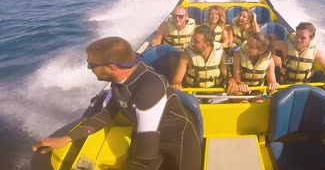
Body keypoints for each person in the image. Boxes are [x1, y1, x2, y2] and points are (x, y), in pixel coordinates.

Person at [32, 37, 201, 170]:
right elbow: (106, 114)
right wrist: (67, 138)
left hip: (178, 141)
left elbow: (147, 144)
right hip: (147, 139)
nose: (89, 68)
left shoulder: (150, 87)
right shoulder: (119, 82)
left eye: (91, 65)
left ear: (112, 68)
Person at [273, 22, 325, 91]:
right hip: (284, 86)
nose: (298, 39)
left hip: (304, 89)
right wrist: (272, 56)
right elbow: (265, 47)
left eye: (303, 38)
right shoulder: (284, 45)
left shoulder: (315, 53)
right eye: (297, 35)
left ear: (311, 39)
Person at [227, 32, 279, 102]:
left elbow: (271, 80)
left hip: (259, 91)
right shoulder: (237, 54)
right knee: (243, 102)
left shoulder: (270, 61)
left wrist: (273, 84)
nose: (246, 47)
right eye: (247, 43)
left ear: (261, 51)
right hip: (240, 90)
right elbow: (237, 78)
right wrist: (240, 83)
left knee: (261, 101)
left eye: (251, 47)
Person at [172, 25, 226, 89]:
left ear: (207, 44)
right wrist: (177, 84)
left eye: (196, 41)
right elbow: (177, 78)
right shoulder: (186, 54)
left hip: (216, 94)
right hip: (193, 95)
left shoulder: (220, 53)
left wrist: (232, 81)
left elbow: (226, 73)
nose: (192, 43)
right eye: (192, 40)